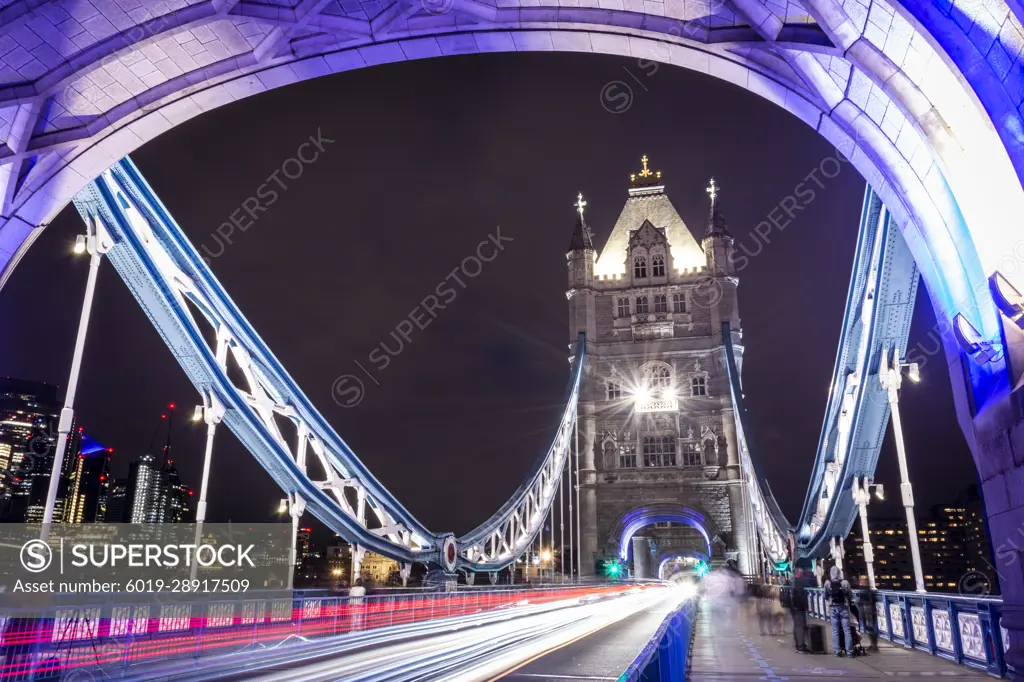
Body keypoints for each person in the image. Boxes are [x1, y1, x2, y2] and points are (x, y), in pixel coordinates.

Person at [823, 565, 854, 657]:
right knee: (847, 630)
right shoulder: (845, 582)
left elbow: (825, 596)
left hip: (833, 608)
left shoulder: (827, 583)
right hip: (844, 607)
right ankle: (849, 652)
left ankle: (837, 651)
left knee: (835, 630)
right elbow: (850, 595)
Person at [788, 563, 812, 653]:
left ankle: (798, 644)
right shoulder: (801, 582)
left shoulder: (790, 581)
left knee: (796, 625)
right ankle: (801, 646)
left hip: (792, 606)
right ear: (799, 573)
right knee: (800, 626)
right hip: (799, 607)